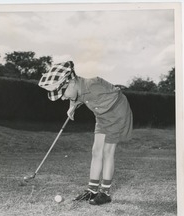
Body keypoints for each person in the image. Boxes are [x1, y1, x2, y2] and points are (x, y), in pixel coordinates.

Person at [38, 61, 133, 205]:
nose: (62, 98)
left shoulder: (93, 83)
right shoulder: (76, 86)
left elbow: (115, 92)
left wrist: (114, 90)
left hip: (117, 113)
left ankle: (105, 193)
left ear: (70, 82)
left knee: (108, 152)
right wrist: (72, 106)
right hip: (102, 116)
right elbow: (77, 97)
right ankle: (92, 190)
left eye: (62, 93)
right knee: (96, 151)